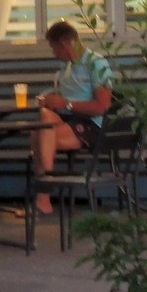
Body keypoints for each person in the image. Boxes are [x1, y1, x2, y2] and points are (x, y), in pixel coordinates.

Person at [31, 22, 114, 215]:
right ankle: (45, 193)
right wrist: (51, 101)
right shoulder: (66, 68)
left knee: (38, 136)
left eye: (53, 48)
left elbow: (103, 107)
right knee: (43, 119)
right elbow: (65, 99)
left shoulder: (96, 64)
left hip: (91, 124)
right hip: (67, 121)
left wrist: (65, 103)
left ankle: (44, 195)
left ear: (63, 44)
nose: (54, 54)